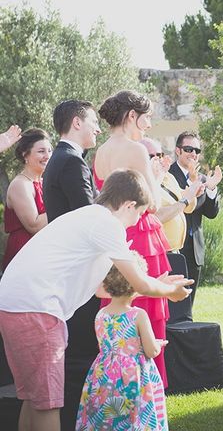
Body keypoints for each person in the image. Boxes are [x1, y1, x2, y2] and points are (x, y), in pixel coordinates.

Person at [0, 169, 192, 431]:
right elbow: (138, 282)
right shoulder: (107, 224)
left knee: (33, 399)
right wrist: (169, 292)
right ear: (128, 204)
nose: (135, 222)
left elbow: (105, 289)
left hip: (13, 305)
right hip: (38, 310)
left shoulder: (86, 217)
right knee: (48, 404)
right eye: (138, 214)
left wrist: (158, 284)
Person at [94, 90, 172, 387]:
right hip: (140, 235)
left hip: (114, 232)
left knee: (116, 301)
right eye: (146, 117)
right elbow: (152, 202)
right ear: (131, 116)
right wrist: (157, 176)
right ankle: (147, 384)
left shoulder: (101, 151)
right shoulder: (136, 150)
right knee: (147, 303)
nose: (148, 124)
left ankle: (114, 379)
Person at [42, 99, 101, 430]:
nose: (97, 127)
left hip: (67, 268)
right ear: (76, 123)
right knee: (81, 351)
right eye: (93, 121)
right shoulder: (70, 162)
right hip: (77, 270)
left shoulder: (62, 159)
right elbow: (87, 218)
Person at [76, 263, 168, 431]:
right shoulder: (138, 315)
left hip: (103, 374)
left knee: (106, 414)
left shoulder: (101, 314)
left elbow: (106, 345)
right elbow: (151, 350)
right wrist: (157, 344)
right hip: (133, 376)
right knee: (134, 417)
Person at [169, 131, 222, 316]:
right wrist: (193, 186)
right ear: (178, 151)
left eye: (197, 150)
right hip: (174, 247)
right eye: (188, 149)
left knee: (189, 305)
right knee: (171, 305)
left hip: (194, 249)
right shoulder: (168, 175)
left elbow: (211, 213)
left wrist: (212, 188)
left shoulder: (203, 179)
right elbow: (183, 207)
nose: (193, 154)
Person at [140, 137, 202, 253]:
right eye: (151, 157)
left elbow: (188, 208)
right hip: (155, 251)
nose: (157, 160)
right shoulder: (139, 180)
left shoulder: (168, 177)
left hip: (175, 251)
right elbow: (155, 216)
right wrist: (184, 201)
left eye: (159, 155)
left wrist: (193, 192)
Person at [2, 128, 52, 268]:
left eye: (49, 150)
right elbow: (34, 225)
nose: (47, 156)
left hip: (42, 252)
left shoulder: (43, 183)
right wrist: (64, 205)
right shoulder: (20, 184)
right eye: (41, 151)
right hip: (23, 254)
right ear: (25, 154)